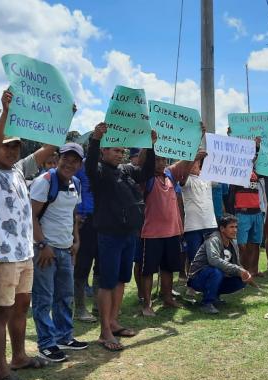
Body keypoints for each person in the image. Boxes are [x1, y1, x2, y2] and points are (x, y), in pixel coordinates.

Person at [0, 90, 57, 380]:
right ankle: (1, 370)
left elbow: (49, 148)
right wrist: (5, 112)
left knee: (22, 307)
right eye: (6, 147)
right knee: (2, 312)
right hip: (2, 257)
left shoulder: (20, 171)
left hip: (25, 254)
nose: (10, 151)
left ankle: (19, 356)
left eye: (15, 147)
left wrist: (63, 117)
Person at [85, 122, 156, 351]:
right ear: (104, 151)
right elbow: (89, 164)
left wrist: (151, 147)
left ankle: (114, 322)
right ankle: (105, 331)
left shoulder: (125, 170)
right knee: (107, 282)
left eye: (122, 151)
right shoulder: (98, 172)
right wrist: (95, 138)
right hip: (110, 235)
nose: (120, 153)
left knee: (121, 280)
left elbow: (146, 172)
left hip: (129, 235)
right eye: (115, 150)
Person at [29, 143, 88, 362]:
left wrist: (76, 240)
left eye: (75, 161)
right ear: (58, 158)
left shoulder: (76, 183)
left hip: (66, 249)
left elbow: (72, 213)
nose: (69, 164)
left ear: (80, 164)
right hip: (45, 250)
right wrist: (43, 245)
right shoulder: (44, 181)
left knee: (65, 296)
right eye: (66, 159)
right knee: (44, 298)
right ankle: (46, 344)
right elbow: (31, 216)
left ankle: (65, 336)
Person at [138, 153, 194, 317]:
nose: (161, 163)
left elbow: (183, 163)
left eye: (163, 159)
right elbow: (141, 162)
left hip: (172, 232)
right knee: (148, 271)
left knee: (168, 268)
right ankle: (147, 304)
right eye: (157, 159)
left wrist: (193, 146)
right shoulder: (147, 178)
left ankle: (167, 298)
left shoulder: (169, 175)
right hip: (151, 233)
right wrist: (150, 145)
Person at [187, 215, 254, 314]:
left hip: (216, 275)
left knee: (241, 279)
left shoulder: (233, 242)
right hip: (197, 278)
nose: (235, 230)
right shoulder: (213, 239)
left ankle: (214, 297)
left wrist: (244, 273)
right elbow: (213, 260)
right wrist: (238, 269)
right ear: (222, 229)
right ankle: (207, 303)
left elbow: (236, 264)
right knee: (216, 271)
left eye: (236, 227)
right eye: (231, 227)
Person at [181, 151, 219, 278]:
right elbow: (182, 180)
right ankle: (192, 285)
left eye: (196, 161)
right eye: (191, 161)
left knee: (212, 256)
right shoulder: (185, 179)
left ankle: (209, 282)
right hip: (193, 226)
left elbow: (223, 172)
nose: (194, 164)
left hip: (210, 224)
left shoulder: (207, 176)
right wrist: (192, 158)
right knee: (194, 258)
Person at [227, 163, 265, 278]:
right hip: (242, 214)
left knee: (255, 243)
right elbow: (231, 194)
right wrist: (231, 213)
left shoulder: (257, 173)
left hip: (257, 212)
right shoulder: (236, 173)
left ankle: (254, 270)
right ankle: (244, 271)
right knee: (242, 245)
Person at [74, 154, 98, 323]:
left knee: (102, 264)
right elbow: (74, 188)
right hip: (85, 220)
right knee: (82, 265)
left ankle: (98, 304)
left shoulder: (107, 166)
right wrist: (79, 213)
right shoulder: (80, 166)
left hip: (103, 220)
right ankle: (80, 308)